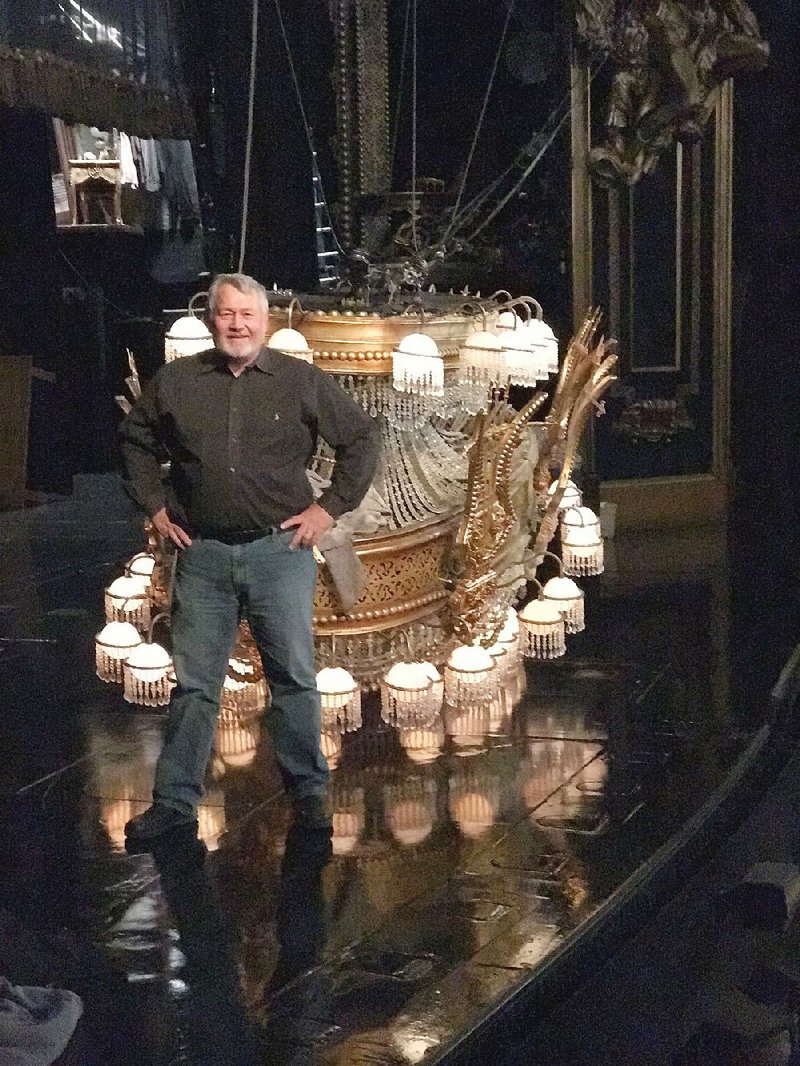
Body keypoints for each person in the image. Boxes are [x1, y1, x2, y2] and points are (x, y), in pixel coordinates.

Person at [120, 272, 381, 849]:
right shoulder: (178, 382)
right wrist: (156, 506)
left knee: (293, 679)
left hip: (278, 552)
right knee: (194, 687)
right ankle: (173, 806)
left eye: (247, 315)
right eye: (226, 314)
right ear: (213, 319)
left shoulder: (302, 381)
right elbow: (134, 438)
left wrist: (329, 509)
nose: (237, 324)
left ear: (266, 321)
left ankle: (309, 796)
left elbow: (362, 439)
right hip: (204, 555)